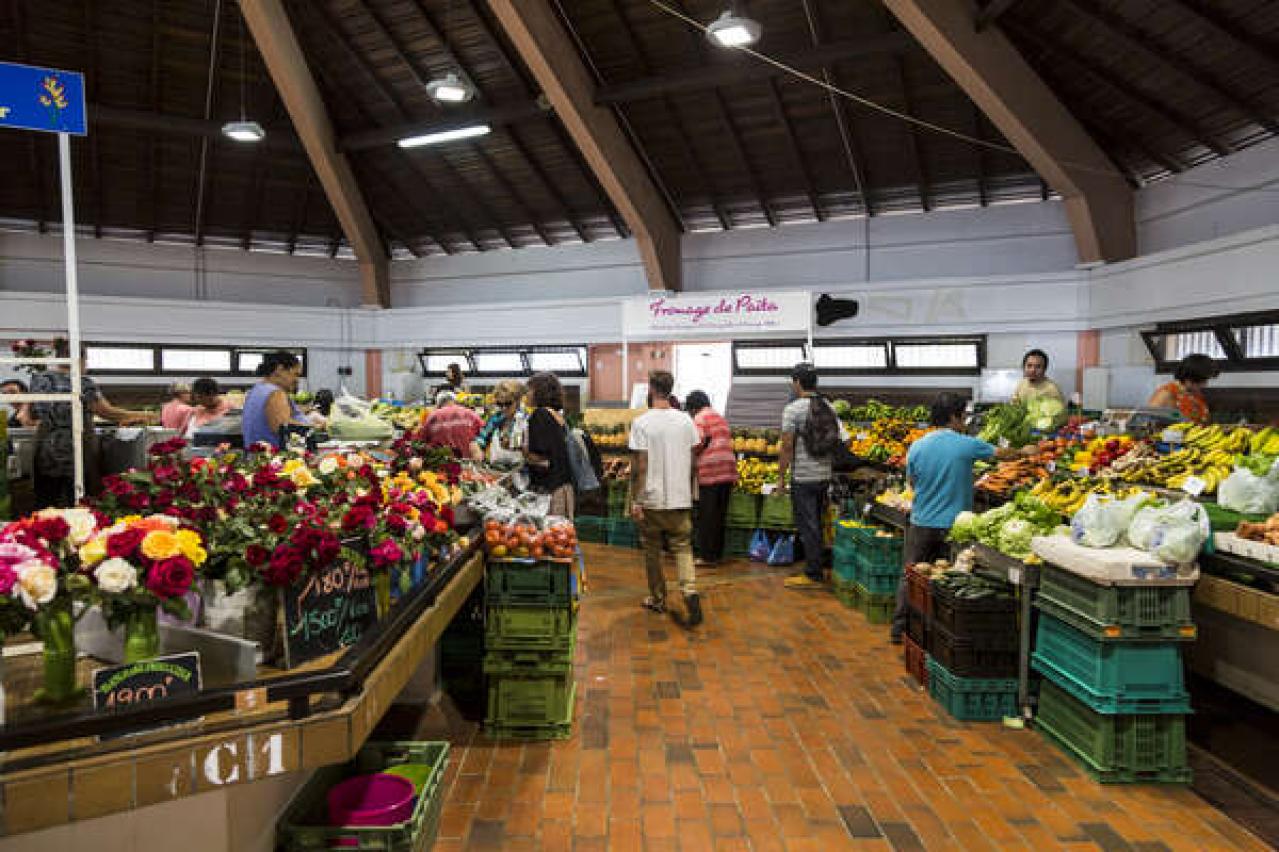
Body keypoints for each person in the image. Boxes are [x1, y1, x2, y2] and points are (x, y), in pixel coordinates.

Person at [890, 393, 1022, 643]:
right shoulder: (966, 444)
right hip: (953, 526)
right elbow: (1004, 455)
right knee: (952, 579)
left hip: (921, 522)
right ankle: (941, 632)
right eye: (963, 415)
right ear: (954, 416)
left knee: (911, 576)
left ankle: (901, 628)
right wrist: (1027, 450)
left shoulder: (917, 445)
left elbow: (911, 482)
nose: (965, 421)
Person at [30, 338, 153, 508]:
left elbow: (32, 412)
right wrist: (145, 415)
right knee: (79, 498)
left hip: (45, 446)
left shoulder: (39, 379)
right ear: (81, 358)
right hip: (75, 448)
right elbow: (108, 412)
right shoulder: (83, 383)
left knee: (48, 499)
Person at [630, 370, 702, 626]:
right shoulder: (685, 421)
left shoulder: (642, 423)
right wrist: (691, 490)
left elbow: (641, 466)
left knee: (652, 549)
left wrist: (637, 500)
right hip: (680, 496)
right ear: (671, 389)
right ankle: (690, 590)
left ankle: (658, 598)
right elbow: (694, 459)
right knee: (683, 547)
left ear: (651, 389)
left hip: (652, 498)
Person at [778, 363, 846, 590]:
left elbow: (787, 447)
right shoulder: (828, 406)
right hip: (824, 475)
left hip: (803, 478)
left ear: (797, 383)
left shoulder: (793, 409)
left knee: (808, 526)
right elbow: (841, 439)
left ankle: (813, 573)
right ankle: (817, 567)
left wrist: (780, 478)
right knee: (816, 521)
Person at [685, 391, 736, 566]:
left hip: (711, 471)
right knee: (719, 515)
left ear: (693, 407)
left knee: (707, 515)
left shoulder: (699, 418)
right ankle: (717, 554)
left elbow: (697, 442)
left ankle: (707, 556)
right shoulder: (720, 417)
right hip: (728, 470)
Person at [525, 372, 574, 518]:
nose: (526, 395)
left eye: (529, 390)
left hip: (550, 492)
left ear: (539, 391)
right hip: (564, 488)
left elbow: (541, 460)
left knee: (549, 536)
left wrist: (523, 452)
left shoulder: (540, 414)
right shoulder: (557, 416)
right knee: (562, 535)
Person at [241, 350, 310, 450]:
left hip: (258, 453)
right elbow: (283, 428)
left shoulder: (257, 389)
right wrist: (313, 428)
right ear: (280, 370)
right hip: (275, 457)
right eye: (295, 374)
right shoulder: (275, 393)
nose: (297, 380)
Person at [1147, 353, 1217, 425]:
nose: (1205, 385)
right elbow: (1150, 418)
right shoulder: (1166, 394)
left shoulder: (1194, 393)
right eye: (1203, 381)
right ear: (1189, 379)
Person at [476, 380, 527, 467]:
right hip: (497, 471)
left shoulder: (524, 420)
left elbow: (520, 446)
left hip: (520, 473)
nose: (503, 408)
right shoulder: (496, 418)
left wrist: (519, 446)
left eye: (508, 403)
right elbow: (482, 437)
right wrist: (477, 448)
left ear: (517, 401)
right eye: (499, 404)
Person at [421, 390, 484, 460]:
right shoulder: (470, 413)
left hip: (443, 462)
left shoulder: (432, 416)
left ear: (438, 404)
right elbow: (482, 432)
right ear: (455, 401)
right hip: (470, 462)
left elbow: (423, 439)